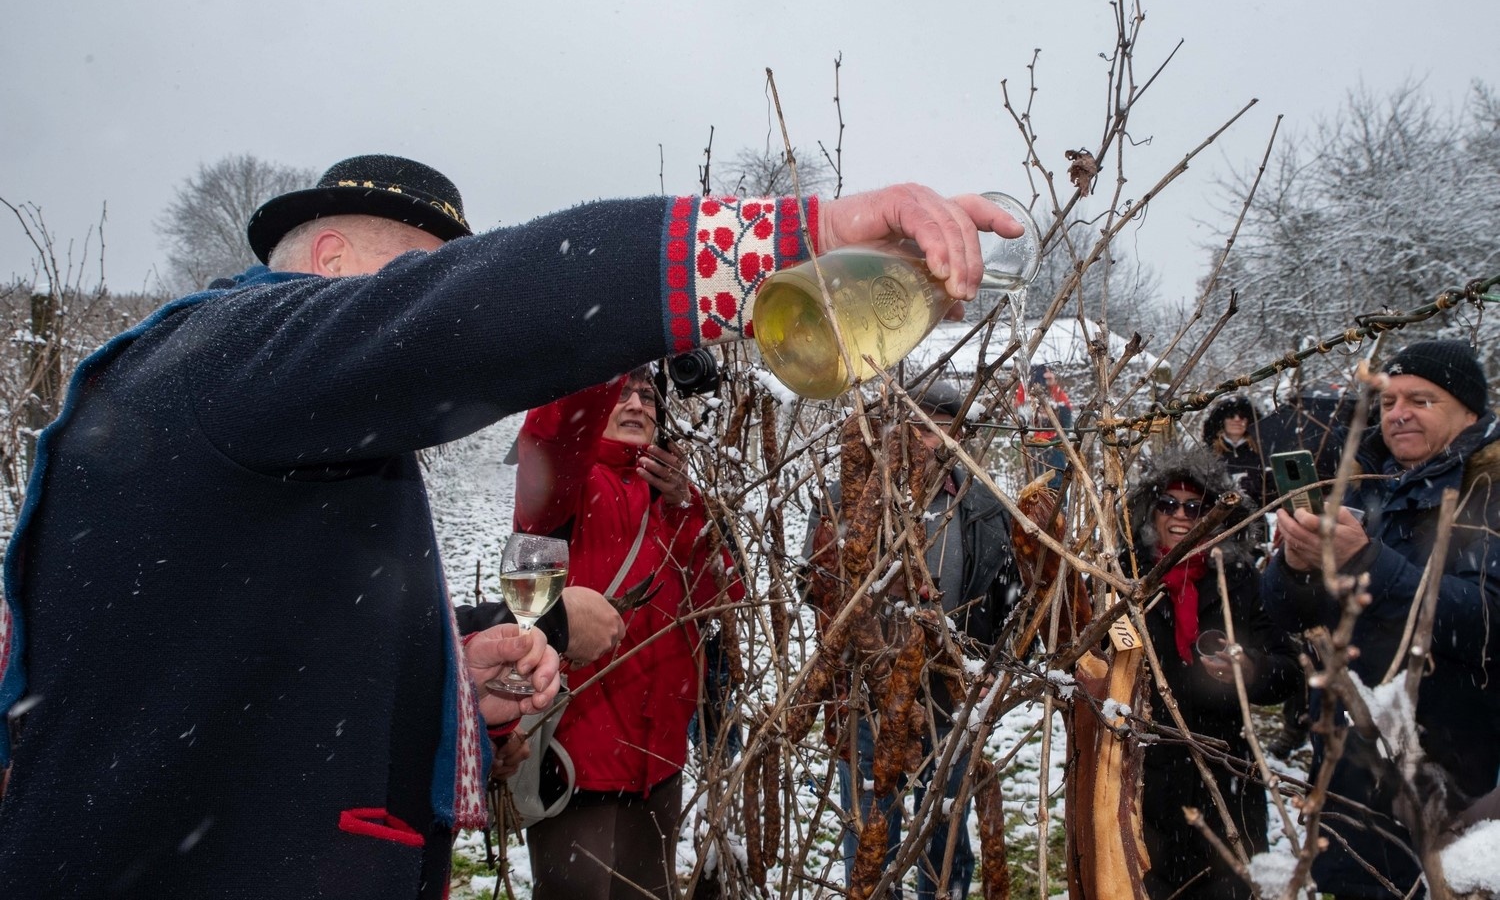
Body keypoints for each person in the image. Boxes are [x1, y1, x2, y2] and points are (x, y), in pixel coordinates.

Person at [0, 153, 1022, 898]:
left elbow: (237, 651)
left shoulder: (266, 428)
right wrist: (790, 240)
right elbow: (482, 323)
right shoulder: (226, 349)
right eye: (409, 282)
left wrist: (450, 652)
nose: (415, 324)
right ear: (325, 254)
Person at [1261, 339, 1500, 899]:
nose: (1398, 414)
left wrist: (1367, 562)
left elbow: (1488, 622)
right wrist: (1295, 569)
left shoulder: (1486, 496)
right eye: (1388, 402)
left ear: (1470, 413)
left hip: (1452, 787)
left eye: (1421, 399)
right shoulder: (1360, 481)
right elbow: (1289, 617)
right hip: (1344, 776)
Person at [512, 365, 740, 900]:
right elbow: (552, 433)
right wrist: (607, 346)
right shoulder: (566, 484)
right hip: (579, 761)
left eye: (648, 396)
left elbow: (718, 599)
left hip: (658, 763)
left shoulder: (675, 499)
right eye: (622, 393)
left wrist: (687, 510)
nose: (637, 405)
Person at [804, 380, 1020, 900]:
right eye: (919, 428)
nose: (929, 442)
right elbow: (818, 592)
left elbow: (1009, 599)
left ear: (961, 438)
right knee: (871, 836)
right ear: (894, 430)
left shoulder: (984, 508)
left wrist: (993, 662)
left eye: (944, 431)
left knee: (945, 830)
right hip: (867, 701)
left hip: (949, 699)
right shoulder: (846, 500)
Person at [1126, 449, 1302, 900]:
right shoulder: (1127, 580)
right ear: (1151, 512)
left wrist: (1250, 670)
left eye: (1196, 506)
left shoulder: (1239, 580)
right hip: (1146, 773)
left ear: (1217, 515)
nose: (1181, 515)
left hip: (1228, 772)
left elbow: (1288, 671)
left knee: (1231, 887)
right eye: (1168, 504)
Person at [1200, 393, 1269, 512]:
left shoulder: (1262, 452)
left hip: (1256, 519)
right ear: (1222, 421)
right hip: (1219, 520)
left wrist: (1257, 490)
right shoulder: (1208, 454)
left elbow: (1272, 495)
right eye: (1231, 415)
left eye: (1242, 416)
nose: (1237, 419)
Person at [1016, 363, 1073, 488]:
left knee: (1056, 481)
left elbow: (1066, 414)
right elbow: (1021, 415)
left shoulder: (1055, 392)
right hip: (1034, 443)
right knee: (1034, 483)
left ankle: (1058, 505)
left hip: (1054, 442)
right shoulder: (1025, 391)